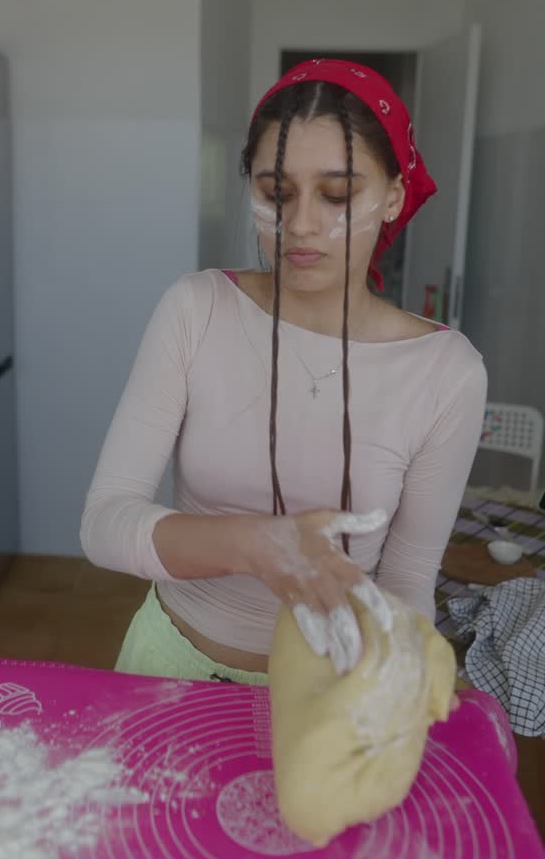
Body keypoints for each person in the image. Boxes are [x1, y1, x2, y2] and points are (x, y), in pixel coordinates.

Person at [80, 59, 487, 685]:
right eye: (277, 192)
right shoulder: (197, 309)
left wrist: (395, 680)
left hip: (329, 695)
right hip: (166, 671)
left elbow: (407, 579)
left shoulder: (445, 372)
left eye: (336, 194)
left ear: (392, 198)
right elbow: (106, 523)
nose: (299, 224)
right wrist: (255, 544)